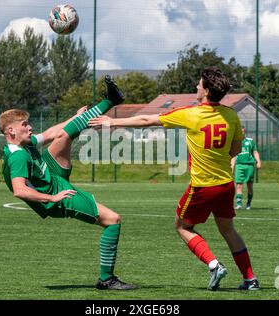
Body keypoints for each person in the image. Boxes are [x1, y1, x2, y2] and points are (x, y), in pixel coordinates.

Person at [89, 67, 261, 291]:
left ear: (207, 90)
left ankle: (214, 264)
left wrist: (112, 122)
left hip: (203, 186)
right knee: (228, 230)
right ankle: (250, 279)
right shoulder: (231, 115)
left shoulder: (192, 113)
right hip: (225, 185)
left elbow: (147, 120)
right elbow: (233, 151)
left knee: (182, 226)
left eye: (199, 84)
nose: (196, 87)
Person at [0, 76, 135, 290]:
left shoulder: (24, 145)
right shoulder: (18, 157)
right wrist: (51, 197)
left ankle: (111, 100)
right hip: (55, 194)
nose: (30, 127)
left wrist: (74, 118)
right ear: (11, 131)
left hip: (50, 174)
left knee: (63, 135)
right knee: (113, 219)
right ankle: (106, 279)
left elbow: (54, 132)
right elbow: (19, 190)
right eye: (25, 124)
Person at [231, 127, 262, 210]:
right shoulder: (235, 142)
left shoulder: (250, 141)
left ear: (245, 132)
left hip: (249, 165)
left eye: (243, 132)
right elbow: (233, 155)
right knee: (239, 185)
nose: (242, 133)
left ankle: (248, 204)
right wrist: (232, 167)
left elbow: (255, 152)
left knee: (249, 186)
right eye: (240, 132)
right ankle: (238, 204)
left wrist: (258, 161)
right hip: (239, 165)